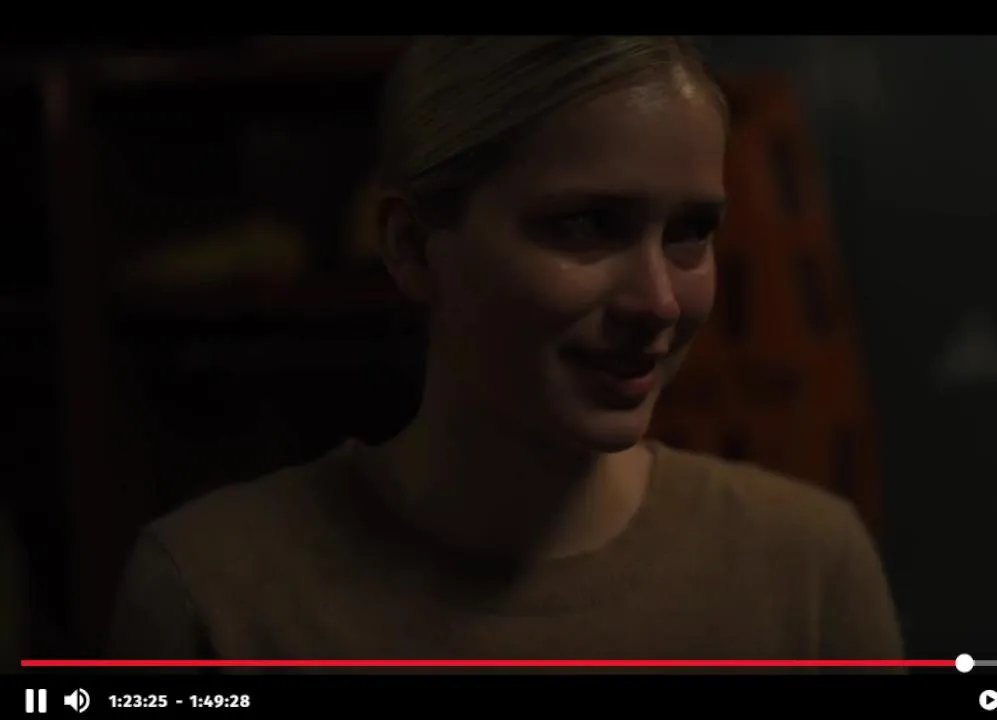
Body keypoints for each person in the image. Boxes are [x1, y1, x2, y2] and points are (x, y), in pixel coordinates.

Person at [105, 36, 902, 666]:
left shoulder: (808, 570)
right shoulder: (213, 593)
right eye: (585, 225)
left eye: (691, 231)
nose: (659, 301)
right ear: (413, 246)